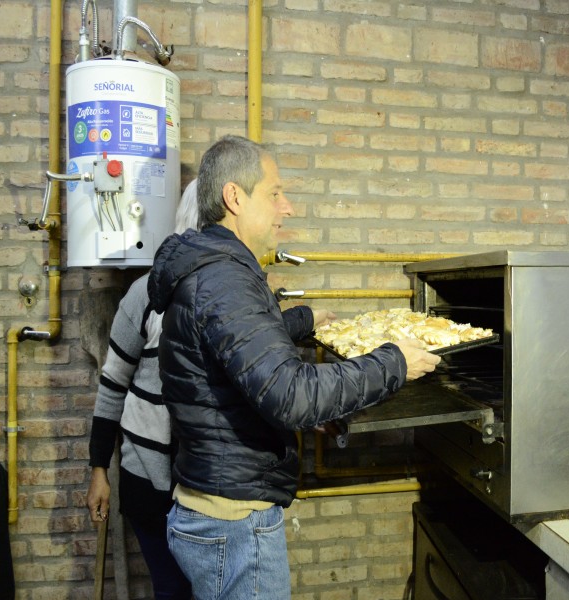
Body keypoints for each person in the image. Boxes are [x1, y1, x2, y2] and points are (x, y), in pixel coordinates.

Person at [146, 134, 441, 600]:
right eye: (275, 192)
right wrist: (394, 361)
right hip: (235, 522)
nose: (288, 207)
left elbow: (239, 369)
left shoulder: (214, 270)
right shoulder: (224, 278)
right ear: (234, 198)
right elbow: (289, 394)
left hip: (216, 504)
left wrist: (303, 324)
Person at [85, 180, 199, 600]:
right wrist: (99, 469)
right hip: (150, 482)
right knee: (173, 589)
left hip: (209, 486)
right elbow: (113, 384)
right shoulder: (146, 294)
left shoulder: (237, 297)